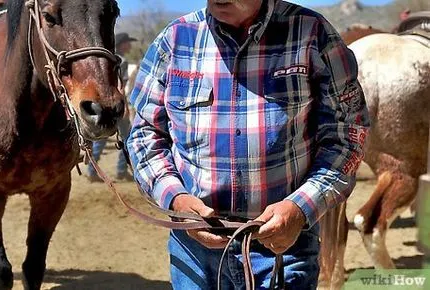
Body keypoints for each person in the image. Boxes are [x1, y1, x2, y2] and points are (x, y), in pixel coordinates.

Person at [127, 0, 370, 289]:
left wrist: (301, 206)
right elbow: (144, 135)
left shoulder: (313, 35)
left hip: (284, 249)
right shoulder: (174, 40)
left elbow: (349, 135)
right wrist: (176, 199)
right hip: (194, 252)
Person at [87, 32, 137, 182]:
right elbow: (119, 85)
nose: (130, 45)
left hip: (103, 105)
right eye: (128, 42)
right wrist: (126, 107)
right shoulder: (122, 61)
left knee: (100, 139)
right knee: (126, 138)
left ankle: (92, 171)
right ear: (122, 44)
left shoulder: (105, 58)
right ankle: (121, 170)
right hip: (116, 105)